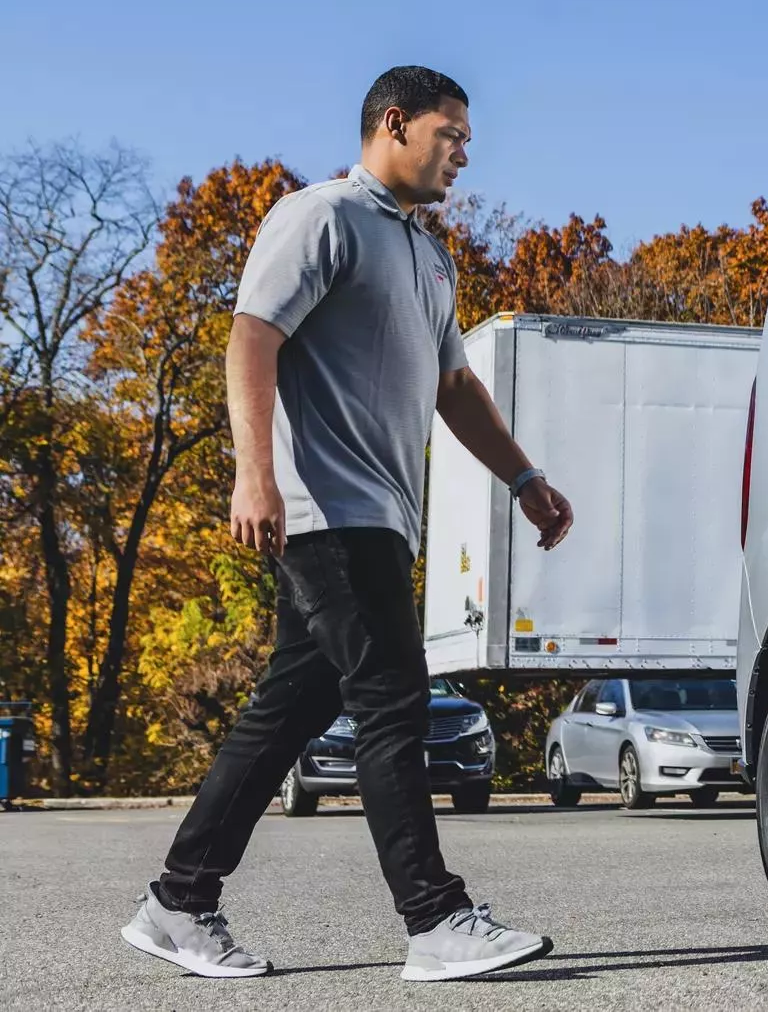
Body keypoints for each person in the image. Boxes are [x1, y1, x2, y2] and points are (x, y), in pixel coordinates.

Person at [120, 66, 575, 982]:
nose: (463, 154)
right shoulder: (319, 216)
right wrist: (254, 475)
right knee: (393, 698)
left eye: (468, 141)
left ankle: (178, 900)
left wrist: (523, 475)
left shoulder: (430, 255)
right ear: (394, 124)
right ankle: (435, 918)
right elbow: (252, 335)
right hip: (325, 509)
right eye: (451, 135)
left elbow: (453, 386)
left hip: (381, 517)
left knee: (293, 706)